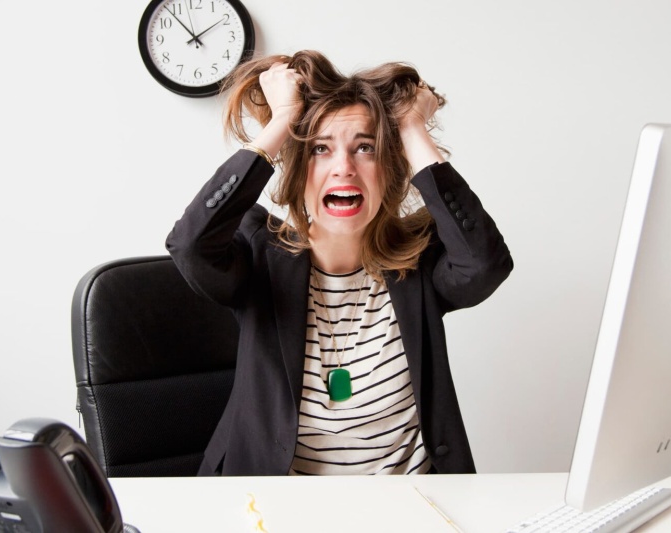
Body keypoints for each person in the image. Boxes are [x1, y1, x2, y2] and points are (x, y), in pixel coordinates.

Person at [166, 50, 513, 476]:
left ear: (389, 168)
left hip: (411, 498)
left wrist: (411, 127)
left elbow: (486, 266)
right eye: (320, 149)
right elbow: (190, 246)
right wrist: (283, 120)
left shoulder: (422, 259)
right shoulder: (257, 253)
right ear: (298, 171)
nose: (343, 168)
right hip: (281, 502)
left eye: (365, 148)